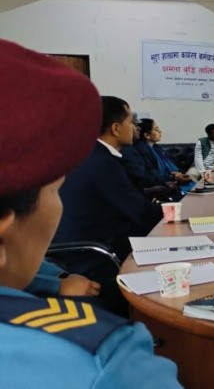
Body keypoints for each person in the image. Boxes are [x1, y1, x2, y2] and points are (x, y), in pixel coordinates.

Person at [0, 38, 181, 387]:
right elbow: (136, 213)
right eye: (55, 190)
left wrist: (55, 279)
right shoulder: (101, 357)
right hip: (96, 258)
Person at [52, 95, 163, 314]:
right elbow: (142, 215)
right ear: (115, 128)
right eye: (131, 122)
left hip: (75, 250)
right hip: (94, 258)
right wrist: (186, 212)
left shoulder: (88, 155)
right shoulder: (102, 163)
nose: (135, 128)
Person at [120, 115, 179, 201]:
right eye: (134, 125)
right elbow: (145, 175)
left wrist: (176, 176)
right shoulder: (138, 148)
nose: (138, 128)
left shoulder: (155, 147)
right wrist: (171, 180)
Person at [135, 119, 195, 195]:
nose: (160, 131)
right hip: (163, 185)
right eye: (156, 129)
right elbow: (152, 175)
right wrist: (174, 177)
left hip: (171, 181)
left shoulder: (156, 148)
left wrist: (180, 174)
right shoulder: (142, 149)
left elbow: (170, 166)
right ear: (147, 135)